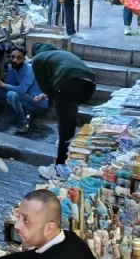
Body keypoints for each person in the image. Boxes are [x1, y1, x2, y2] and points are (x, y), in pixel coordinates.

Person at [0, 190, 99, 259]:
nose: (17, 226)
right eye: (19, 217)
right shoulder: (73, 240)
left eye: (26, 220)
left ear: (49, 228)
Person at [31, 43, 96, 180]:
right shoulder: (61, 54)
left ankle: (60, 167)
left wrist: (49, 95)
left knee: (65, 122)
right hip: (89, 83)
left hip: (67, 81)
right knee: (68, 119)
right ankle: (67, 147)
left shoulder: (38, 59)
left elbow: (44, 85)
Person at [0, 45, 48, 133]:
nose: (15, 60)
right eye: (13, 57)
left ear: (24, 59)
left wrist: (2, 84)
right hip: (25, 98)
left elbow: (21, 90)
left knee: (12, 95)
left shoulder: (29, 69)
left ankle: (23, 123)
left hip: (38, 101)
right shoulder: (12, 67)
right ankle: (24, 112)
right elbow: (9, 85)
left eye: (19, 58)